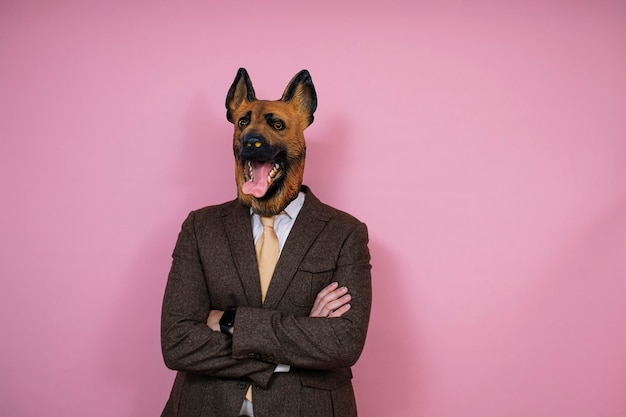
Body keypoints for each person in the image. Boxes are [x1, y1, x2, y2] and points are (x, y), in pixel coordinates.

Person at [160, 68, 372, 417]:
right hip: (205, 407)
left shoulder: (344, 233)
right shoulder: (201, 227)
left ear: (301, 130)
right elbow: (178, 343)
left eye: (275, 125)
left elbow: (343, 343)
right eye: (244, 123)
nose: (252, 135)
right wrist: (296, 347)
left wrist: (228, 322)